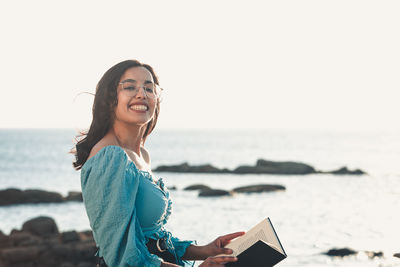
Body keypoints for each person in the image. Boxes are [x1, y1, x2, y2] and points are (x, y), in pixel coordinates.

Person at [73, 59, 244, 267]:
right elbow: (124, 257)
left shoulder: (141, 156)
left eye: (149, 88)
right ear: (110, 99)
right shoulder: (110, 157)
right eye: (129, 87)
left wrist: (205, 250)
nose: (141, 94)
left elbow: (153, 238)